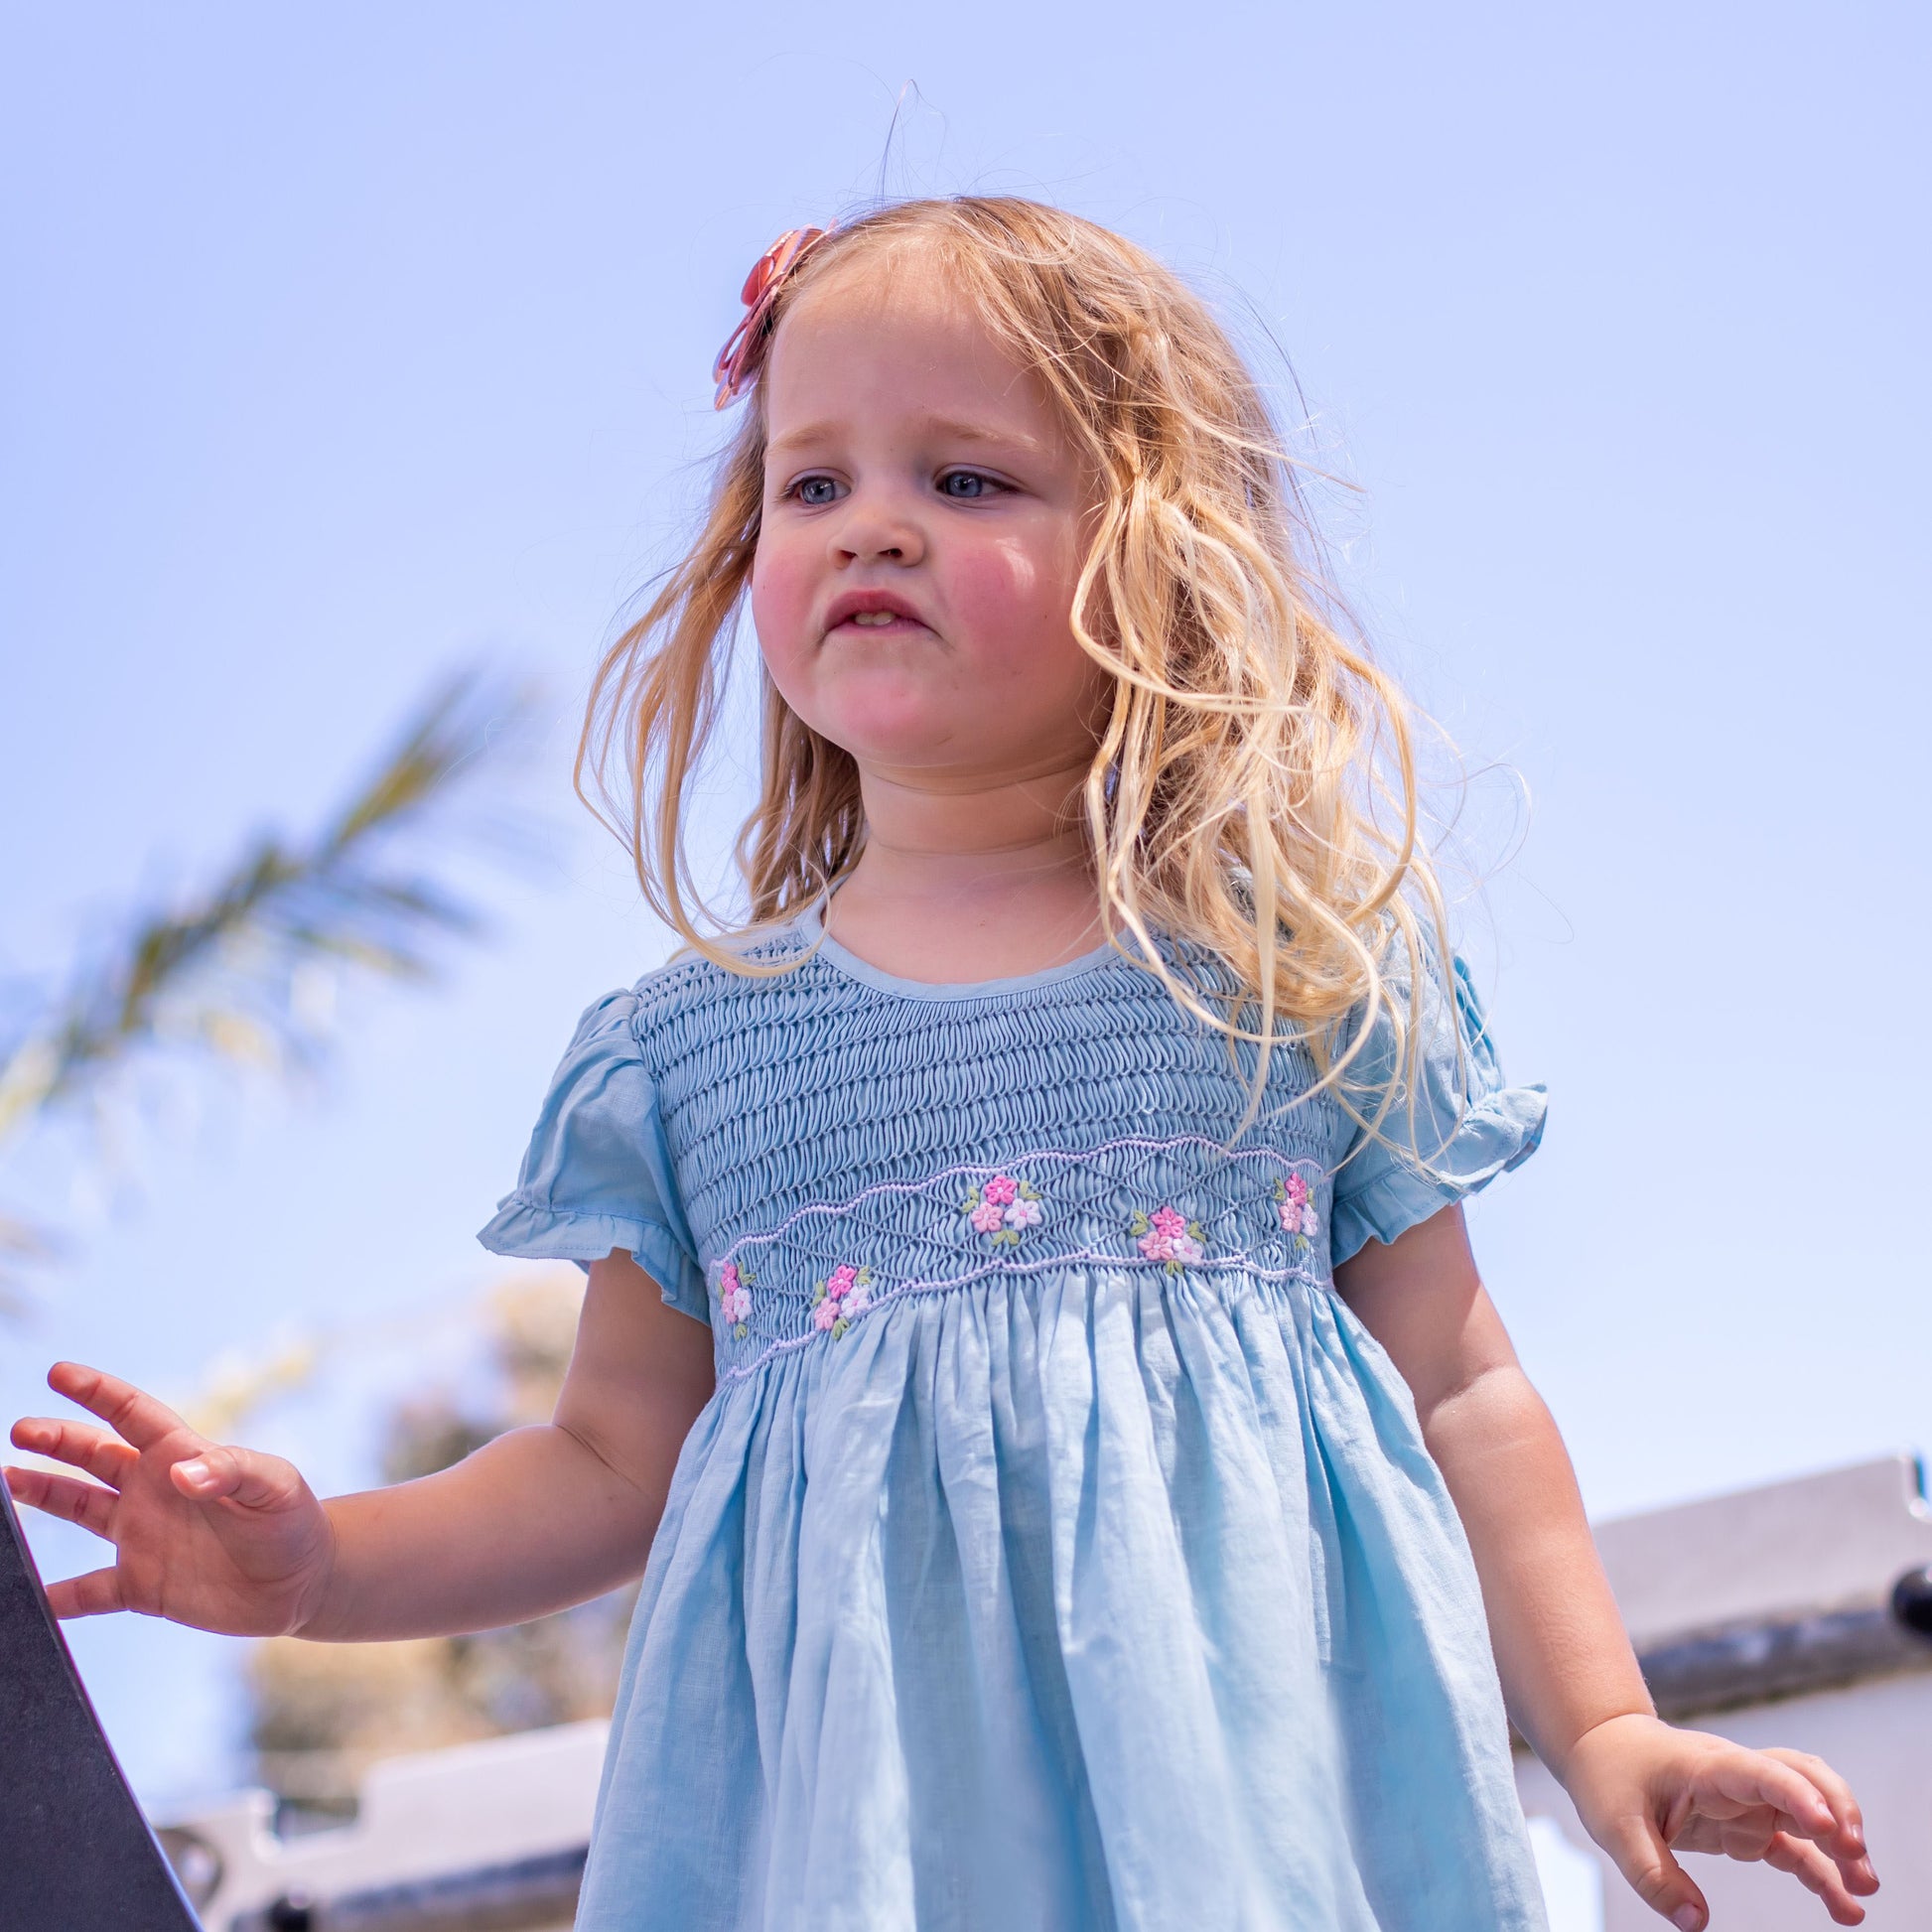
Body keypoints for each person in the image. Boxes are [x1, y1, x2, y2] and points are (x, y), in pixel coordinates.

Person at [6, 199, 1878, 1932]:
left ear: (1154, 561)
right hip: (849, 1851)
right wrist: (322, 1564)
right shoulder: (689, 1057)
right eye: (809, 480)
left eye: (963, 475)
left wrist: (1608, 1724)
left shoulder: (1294, 974)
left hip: (1263, 1818)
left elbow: (1464, 1384)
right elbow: (598, 1462)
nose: (870, 522)